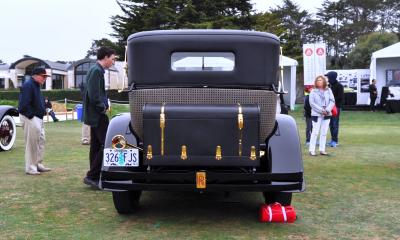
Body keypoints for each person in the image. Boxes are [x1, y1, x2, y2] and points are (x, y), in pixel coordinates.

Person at [82, 46, 116, 189]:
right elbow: (94, 95)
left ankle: (94, 176)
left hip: (95, 115)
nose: (113, 62)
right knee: (107, 145)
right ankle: (92, 175)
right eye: (113, 59)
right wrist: (103, 107)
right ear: (106, 57)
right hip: (98, 115)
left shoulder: (95, 70)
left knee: (96, 146)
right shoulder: (96, 71)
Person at [18, 67, 52, 175]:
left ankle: (38, 164)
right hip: (30, 118)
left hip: (38, 118)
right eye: (43, 76)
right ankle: (30, 167)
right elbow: (23, 105)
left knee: (41, 140)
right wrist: (32, 116)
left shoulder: (36, 85)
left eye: (45, 77)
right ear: (36, 75)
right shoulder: (28, 85)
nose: (45, 79)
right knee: (32, 143)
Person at [308, 75, 335, 156]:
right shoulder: (313, 91)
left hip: (327, 114)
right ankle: (312, 150)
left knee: (324, 132)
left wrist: (327, 110)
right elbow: (312, 103)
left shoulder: (329, 90)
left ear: (324, 81)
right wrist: (321, 110)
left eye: (320, 80)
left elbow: (332, 100)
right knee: (315, 132)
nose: (319, 81)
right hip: (316, 114)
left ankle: (322, 150)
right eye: (317, 80)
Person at [325, 71, 343, 148]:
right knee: (331, 124)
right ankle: (332, 140)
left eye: (328, 77)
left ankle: (335, 141)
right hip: (329, 107)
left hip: (336, 107)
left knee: (335, 124)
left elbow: (340, 97)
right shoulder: (329, 86)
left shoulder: (339, 86)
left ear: (332, 77)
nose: (327, 78)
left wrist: (331, 100)